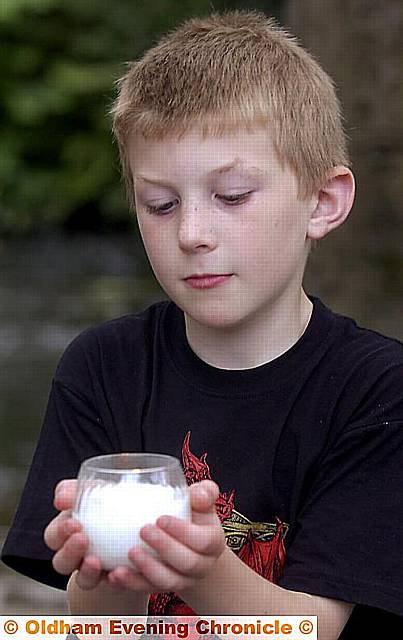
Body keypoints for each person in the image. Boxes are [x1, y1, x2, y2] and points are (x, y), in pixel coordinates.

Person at [2, 9, 403, 638]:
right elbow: (99, 630)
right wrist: (102, 574)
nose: (191, 234)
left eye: (233, 196)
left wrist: (202, 570)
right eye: (160, 204)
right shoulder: (102, 366)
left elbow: (316, 627)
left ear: (323, 203)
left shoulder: (379, 388)